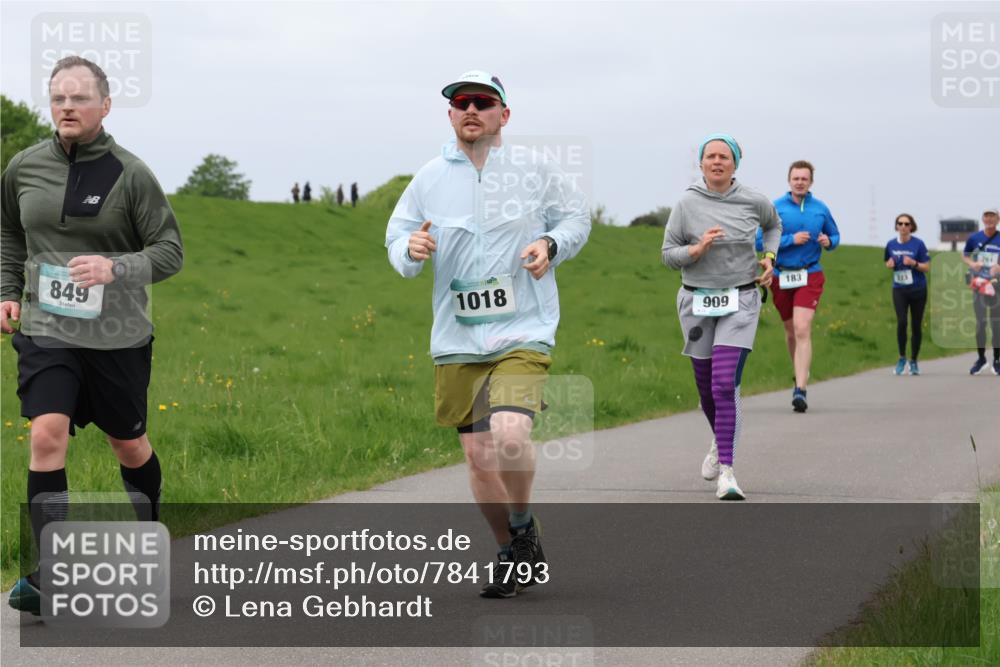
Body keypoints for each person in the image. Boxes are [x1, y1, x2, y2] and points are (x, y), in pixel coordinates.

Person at [385, 70, 590, 597]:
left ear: (504, 114)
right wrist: (409, 250)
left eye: (482, 102)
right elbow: (399, 233)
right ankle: (511, 549)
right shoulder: (429, 176)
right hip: (457, 336)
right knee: (478, 456)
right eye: (460, 102)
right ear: (450, 114)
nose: (470, 109)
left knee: (510, 435)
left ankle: (522, 522)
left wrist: (550, 244)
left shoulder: (534, 170)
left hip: (523, 328)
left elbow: (576, 218)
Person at [1, 56, 184, 614]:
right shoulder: (24, 167)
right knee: (45, 436)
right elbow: (8, 234)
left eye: (80, 98)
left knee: (126, 443)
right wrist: (8, 290)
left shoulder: (132, 174)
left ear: (105, 106)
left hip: (118, 337)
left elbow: (170, 251)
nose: (67, 107)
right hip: (46, 331)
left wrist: (115, 269)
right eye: (58, 97)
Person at [663, 133, 780, 501]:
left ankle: (726, 472)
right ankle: (719, 439)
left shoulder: (754, 200)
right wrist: (695, 250)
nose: (717, 161)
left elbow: (773, 227)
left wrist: (770, 258)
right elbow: (668, 254)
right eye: (710, 156)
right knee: (705, 388)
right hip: (697, 301)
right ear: (700, 164)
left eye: (724, 157)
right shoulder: (686, 203)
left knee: (724, 383)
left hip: (742, 298)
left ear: (735, 164)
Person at [756, 160, 840, 412]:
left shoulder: (820, 208)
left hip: (810, 274)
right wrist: (792, 239)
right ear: (789, 180)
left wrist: (828, 241)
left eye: (804, 178)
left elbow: (835, 236)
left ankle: (800, 389)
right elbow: (760, 240)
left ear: (811, 182)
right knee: (791, 331)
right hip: (782, 275)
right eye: (796, 178)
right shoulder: (776, 207)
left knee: (803, 328)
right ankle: (799, 372)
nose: (800, 182)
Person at [884, 214, 931, 375]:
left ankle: (914, 360)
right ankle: (902, 357)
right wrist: (889, 264)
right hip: (899, 289)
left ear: (911, 226)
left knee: (916, 326)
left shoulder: (918, 244)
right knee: (902, 322)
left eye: (906, 223)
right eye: (900, 223)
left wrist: (914, 263)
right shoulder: (890, 244)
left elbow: (927, 267)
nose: (903, 226)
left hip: (918, 289)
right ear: (896, 226)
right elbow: (887, 261)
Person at [962, 207, 1000, 375]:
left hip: (997, 286)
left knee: (996, 324)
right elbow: (965, 255)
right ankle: (981, 358)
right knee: (980, 323)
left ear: (998, 219)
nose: (989, 219)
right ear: (983, 219)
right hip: (979, 285)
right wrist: (972, 264)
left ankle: (997, 360)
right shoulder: (974, 238)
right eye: (987, 216)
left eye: (993, 216)